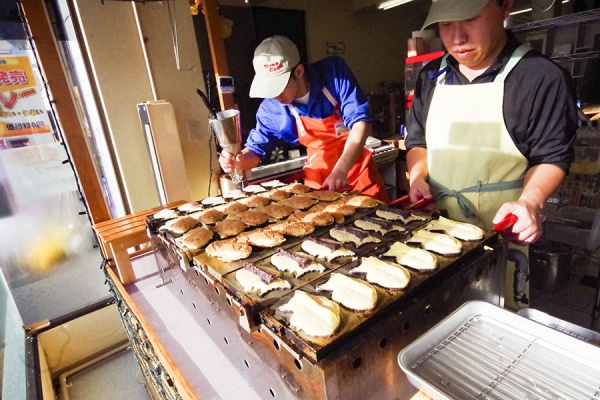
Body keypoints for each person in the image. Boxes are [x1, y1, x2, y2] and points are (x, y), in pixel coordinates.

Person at [405, 0, 577, 246]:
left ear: (505, 8)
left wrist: (529, 202)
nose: (457, 38)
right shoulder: (430, 76)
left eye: (471, 19)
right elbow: (418, 140)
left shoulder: (541, 77)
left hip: (502, 233)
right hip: (434, 231)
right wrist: (418, 177)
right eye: (446, 24)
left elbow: (551, 156)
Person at [218, 35, 388, 201]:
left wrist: (341, 170)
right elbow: (254, 152)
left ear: (298, 71)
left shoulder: (333, 74)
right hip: (318, 178)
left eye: (279, 86)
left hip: (358, 173)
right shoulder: (270, 108)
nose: (275, 95)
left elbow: (360, 123)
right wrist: (237, 162)